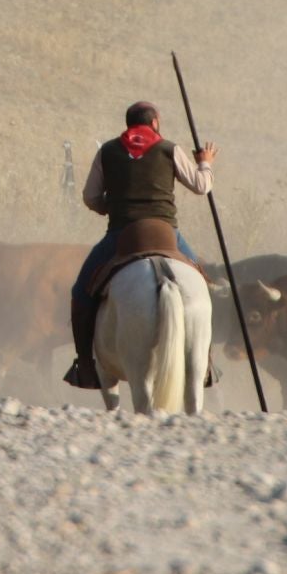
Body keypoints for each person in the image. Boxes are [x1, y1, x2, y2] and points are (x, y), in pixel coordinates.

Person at [62, 101, 217, 390]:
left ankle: (85, 365)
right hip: (167, 233)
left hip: (122, 233)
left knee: (81, 293)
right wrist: (205, 162)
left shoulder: (107, 150)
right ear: (155, 122)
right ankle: (206, 362)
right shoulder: (169, 148)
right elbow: (201, 186)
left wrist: (109, 206)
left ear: (128, 124)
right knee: (202, 285)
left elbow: (90, 196)